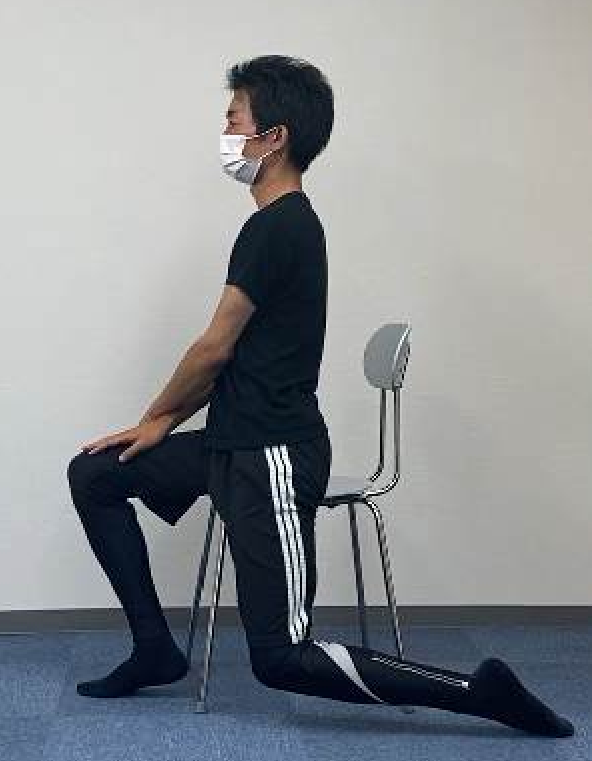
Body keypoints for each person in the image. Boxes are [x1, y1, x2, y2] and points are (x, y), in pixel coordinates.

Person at [66, 54, 574, 738]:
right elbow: (225, 360)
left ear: (274, 137)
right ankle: (154, 648)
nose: (225, 133)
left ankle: (478, 691)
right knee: (96, 474)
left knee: (281, 657)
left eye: (234, 119)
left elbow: (212, 348)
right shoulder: (276, 226)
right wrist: (160, 426)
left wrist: (155, 417)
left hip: (272, 453)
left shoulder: (281, 226)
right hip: (232, 442)